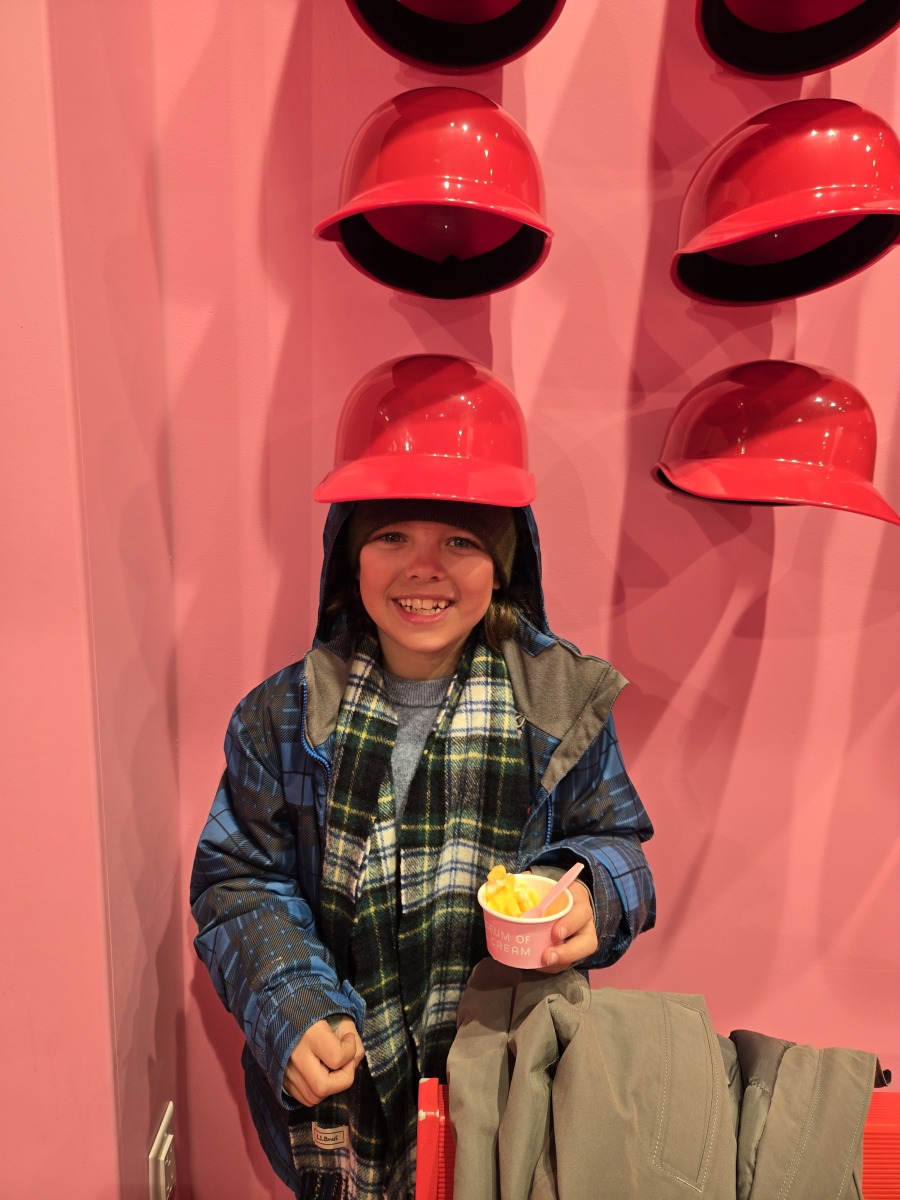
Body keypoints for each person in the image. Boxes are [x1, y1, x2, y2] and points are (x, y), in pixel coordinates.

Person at [189, 356, 656, 1200]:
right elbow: (237, 880)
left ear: (504, 562)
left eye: (461, 541)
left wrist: (595, 892)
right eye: (392, 536)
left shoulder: (559, 701)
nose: (424, 567)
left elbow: (617, 840)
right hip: (346, 1107)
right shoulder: (281, 717)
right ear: (350, 556)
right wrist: (287, 1001)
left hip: (513, 1088)